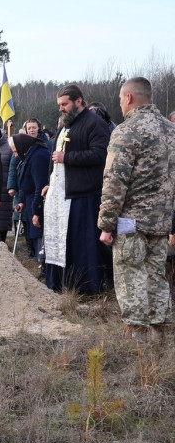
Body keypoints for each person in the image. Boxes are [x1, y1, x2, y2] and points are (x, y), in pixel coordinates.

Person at [97, 77, 175, 341]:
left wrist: (107, 224)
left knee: (131, 276)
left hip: (130, 223)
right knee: (156, 276)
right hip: (161, 223)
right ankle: (160, 334)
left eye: (120, 99)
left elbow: (114, 182)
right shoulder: (171, 131)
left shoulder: (126, 131)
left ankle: (137, 338)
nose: (120, 104)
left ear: (128, 98)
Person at [41, 84, 112, 294]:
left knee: (82, 245)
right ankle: (59, 283)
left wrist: (68, 158)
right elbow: (54, 160)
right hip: (61, 194)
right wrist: (49, 182)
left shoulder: (94, 123)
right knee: (62, 240)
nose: (61, 109)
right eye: (59, 105)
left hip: (84, 194)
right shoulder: (64, 125)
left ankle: (85, 287)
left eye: (65, 104)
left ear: (78, 101)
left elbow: (100, 155)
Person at [13, 132, 49, 260]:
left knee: (41, 240)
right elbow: (24, 182)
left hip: (38, 203)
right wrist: (21, 201)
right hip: (29, 202)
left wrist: (36, 210)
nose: (16, 155)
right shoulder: (28, 156)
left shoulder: (38, 156)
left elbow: (40, 185)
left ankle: (43, 265)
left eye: (16, 151)